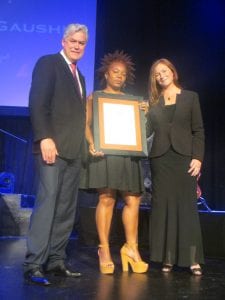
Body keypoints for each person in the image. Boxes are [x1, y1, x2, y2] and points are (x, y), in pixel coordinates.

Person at [24, 23, 88, 286]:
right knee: (48, 203)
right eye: (73, 41)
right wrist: (44, 137)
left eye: (82, 43)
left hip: (74, 151)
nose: (77, 46)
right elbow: (37, 102)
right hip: (52, 147)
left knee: (65, 208)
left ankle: (56, 260)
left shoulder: (80, 77)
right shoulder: (48, 63)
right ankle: (33, 263)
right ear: (63, 41)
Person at [81, 50, 148, 274]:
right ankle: (104, 249)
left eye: (123, 74)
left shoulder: (133, 102)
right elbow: (86, 125)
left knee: (133, 200)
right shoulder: (96, 97)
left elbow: (142, 132)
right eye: (115, 72)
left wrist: (144, 115)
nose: (119, 76)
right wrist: (91, 143)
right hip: (105, 155)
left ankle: (131, 248)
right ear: (106, 74)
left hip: (128, 155)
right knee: (107, 199)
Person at [146, 58, 205, 275]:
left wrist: (198, 157)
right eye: (156, 74)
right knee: (162, 209)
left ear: (173, 71)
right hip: (160, 160)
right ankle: (166, 258)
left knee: (186, 209)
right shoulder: (152, 103)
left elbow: (198, 131)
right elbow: (144, 133)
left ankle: (192, 259)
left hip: (184, 160)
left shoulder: (190, 97)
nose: (161, 75)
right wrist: (139, 114)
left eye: (164, 71)